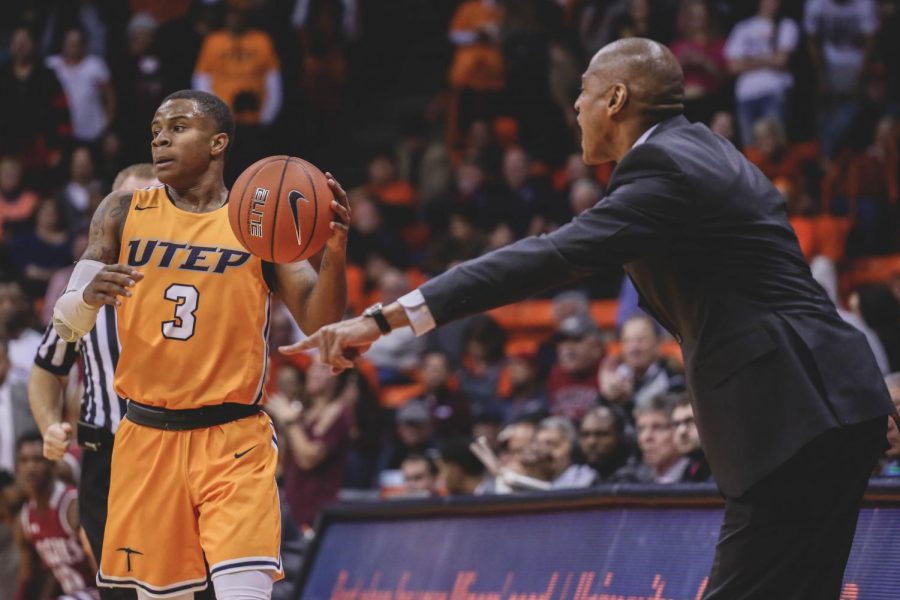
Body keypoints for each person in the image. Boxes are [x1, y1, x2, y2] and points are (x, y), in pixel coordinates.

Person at [293, 37, 895, 598]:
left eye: (584, 90)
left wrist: (382, 319)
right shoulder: (702, 150)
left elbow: (548, 256)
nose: (575, 105)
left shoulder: (666, 171)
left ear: (617, 98)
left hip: (791, 410)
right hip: (828, 400)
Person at [51, 90, 350, 599]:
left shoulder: (258, 222)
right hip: (146, 438)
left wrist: (336, 250)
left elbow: (320, 316)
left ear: (218, 143)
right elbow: (67, 322)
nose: (161, 138)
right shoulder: (122, 211)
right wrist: (85, 300)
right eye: (154, 131)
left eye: (178, 127)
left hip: (233, 439)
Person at [29, 164, 158, 600]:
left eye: (149, 204)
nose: (135, 215)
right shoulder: (84, 290)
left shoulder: (192, 279)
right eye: (127, 204)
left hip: (175, 452)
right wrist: (49, 425)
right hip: (106, 453)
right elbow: (48, 367)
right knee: (118, 590)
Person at [266, 359, 354, 530]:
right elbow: (281, 466)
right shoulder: (303, 413)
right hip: (291, 511)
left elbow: (308, 459)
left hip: (317, 514)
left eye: (322, 369)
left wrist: (290, 422)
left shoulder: (340, 412)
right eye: (312, 367)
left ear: (338, 376)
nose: (312, 373)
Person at [14, 432, 99, 600]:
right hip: (71, 594)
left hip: (98, 591)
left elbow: (101, 563)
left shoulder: (72, 505)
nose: (30, 467)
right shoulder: (24, 519)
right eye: (24, 461)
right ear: (17, 468)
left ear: (53, 464)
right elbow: (29, 576)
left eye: (37, 460)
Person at [535, 416, 597, 488]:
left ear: (572, 447)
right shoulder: (526, 480)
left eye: (552, 445)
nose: (544, 452)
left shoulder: (587, 479)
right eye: (539, 446)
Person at [577, 405, 633, 482]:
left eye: (601, 434)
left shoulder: (635, 479)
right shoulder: (578, 480)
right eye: (585, 435)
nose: (591, 442)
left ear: (620, 437)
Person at [670, 392, 711, 482]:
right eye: (676, 424)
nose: (682, 431)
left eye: (690, 421)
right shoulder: (687, 472)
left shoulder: (722, 472)